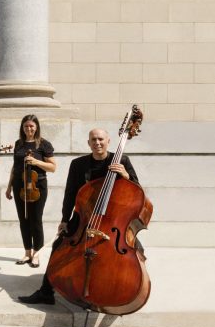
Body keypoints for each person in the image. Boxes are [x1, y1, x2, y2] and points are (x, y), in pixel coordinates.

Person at [18, 128, 139, 305]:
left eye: (100, 139)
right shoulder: (78, 164)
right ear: (88, 143)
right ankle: (46, 292)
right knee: (60, 245)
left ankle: (117, 288)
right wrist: (65, 220)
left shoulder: (122, 160)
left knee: (137, 250)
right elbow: (70, 194)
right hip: (84, 217)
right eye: (93, 140)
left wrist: (126, 176)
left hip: (114, 221)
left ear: (108, 141)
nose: (97, 143)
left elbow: (137, 190)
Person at [5, 115, 57, 268]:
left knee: (36, 220)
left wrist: (36, 162)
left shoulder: (44, 144)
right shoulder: (18, 144)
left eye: (31, 126)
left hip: (37, 186)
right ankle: (27, 252)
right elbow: (15, 167)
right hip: (19, 186)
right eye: (26, 126)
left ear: (36, 127)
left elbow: (53, 167)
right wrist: (9, 187)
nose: (29, 129)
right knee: (23, 220)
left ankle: (37, 254)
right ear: (23, 127)